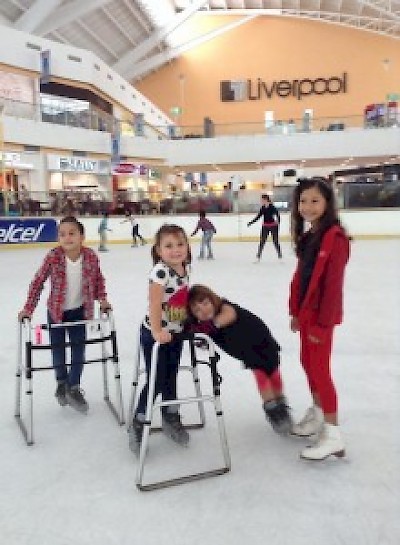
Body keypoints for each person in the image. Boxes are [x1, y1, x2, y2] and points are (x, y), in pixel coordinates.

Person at [18, 216, 112, 413]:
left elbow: (98, 281)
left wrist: (102, 300)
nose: (67, 238)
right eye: (62, 234)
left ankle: (74, 386)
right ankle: (62, 383)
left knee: (79, 350)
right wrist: (28, 309)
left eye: (72, 233)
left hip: (80, 312)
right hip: (56, 312)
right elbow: (38, 282)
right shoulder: (53, 256)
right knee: (58, 350)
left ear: (82, 236)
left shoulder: (91, 257)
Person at [289, 177, 350, 461]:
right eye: (303, 201)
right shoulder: (309, 235)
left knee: (321, 371)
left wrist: (322, 324)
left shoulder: (334, 238)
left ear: (327, 203)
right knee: (308, 364)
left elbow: (332, 286)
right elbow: (301, 279)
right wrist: (295, 312)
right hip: (306, 315)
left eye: (315, 201)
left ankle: (333, 433)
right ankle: (317, 414)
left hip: (320, 317)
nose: (308, 206)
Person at [186, 284, 292, 435]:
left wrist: (210, 327)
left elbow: (229, 316)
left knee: (274, 375)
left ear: (213, 300)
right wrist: (201, 335)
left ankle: (281, 404)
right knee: (262, 376)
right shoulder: (205, 327)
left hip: (263, 342)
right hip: (249, 352)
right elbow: (201, 336)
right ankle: (274, 411)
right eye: (197, 310)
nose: (203, 310)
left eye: (205, 303)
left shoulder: (224, 308)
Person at [128, 224, 192, 454]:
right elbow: (155, 303)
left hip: (176, 334)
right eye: (169, 246)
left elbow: (182, 300)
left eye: (180, 244)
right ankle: (139, 420)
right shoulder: (160, 272)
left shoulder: (186, 268)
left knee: (171, 376)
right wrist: (156, 332)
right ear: (158, 250)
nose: (176, 250)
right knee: (156, 378)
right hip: (155, 334)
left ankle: (170, 416)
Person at [248, 194, 282, 262]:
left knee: (275, 241)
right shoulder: (263, 208)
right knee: (262, 242)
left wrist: (278, 222)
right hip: (265, 226)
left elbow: (277, 215)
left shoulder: (272, 207)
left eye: (262, 200)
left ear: (266, 200)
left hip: (273, 226)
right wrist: (251, 222)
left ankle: (280, 256)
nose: (261, 201)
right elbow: (258, 216)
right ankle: (258, 257)